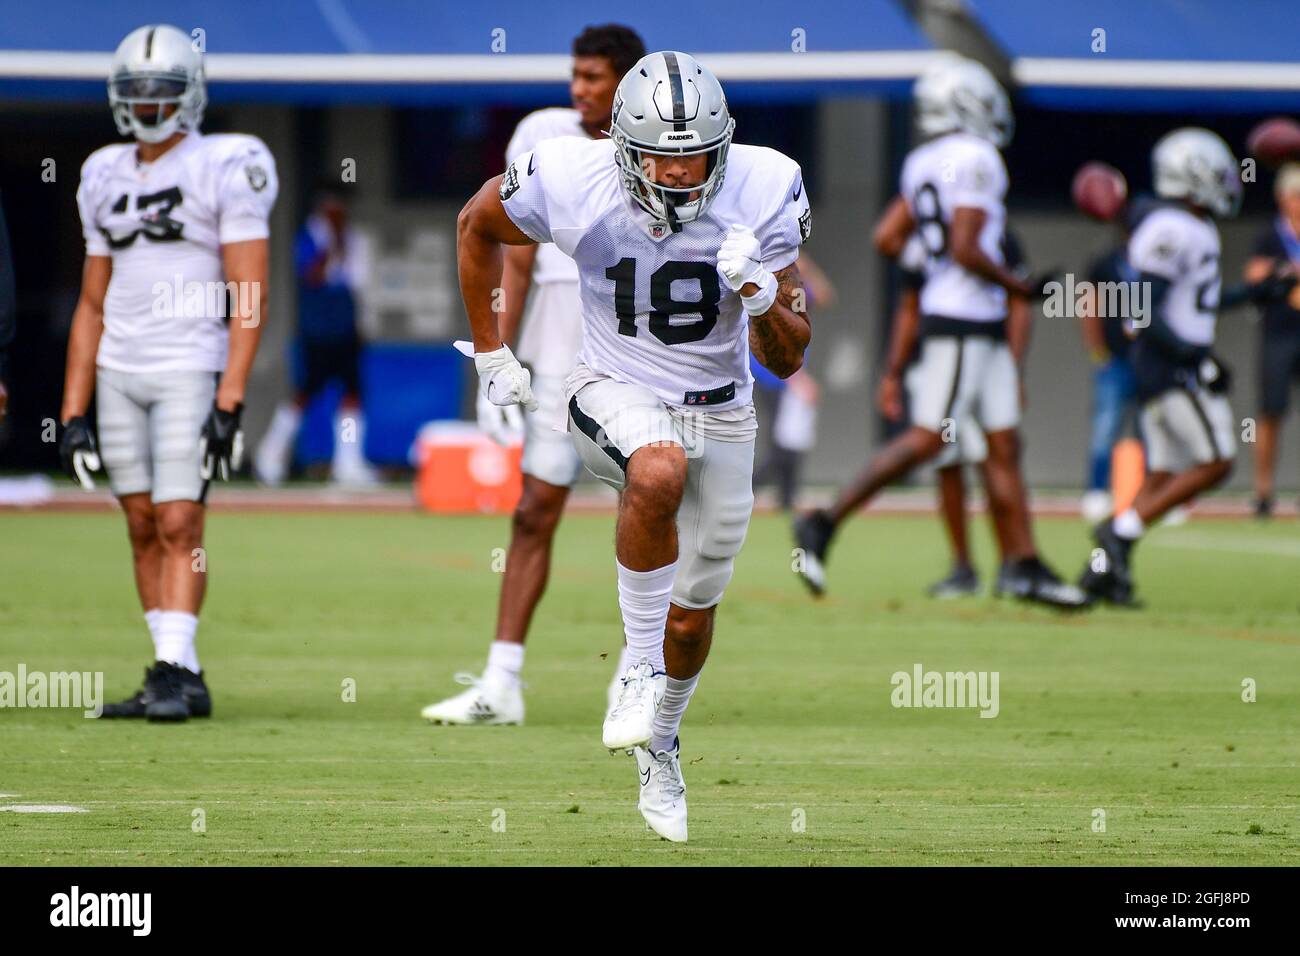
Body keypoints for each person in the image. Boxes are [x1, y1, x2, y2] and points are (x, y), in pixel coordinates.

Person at [454, 51, 811, 842]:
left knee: (694, 618)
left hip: (722, 409)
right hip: (607, 386)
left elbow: (788, 354)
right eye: (661, 157)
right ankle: (636, 668)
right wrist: (490, 351)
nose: (679, 176)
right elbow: (475, 223)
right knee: (657, 469)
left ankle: (663, 742)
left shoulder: (765, 184)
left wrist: (758, 294)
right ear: (622, 146)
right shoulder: (569, 176)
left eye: (695, 159)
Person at [792, 56, 1084, 609]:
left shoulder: (923, 159)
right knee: (929, 439)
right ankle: (823, 522)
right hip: (964, 322)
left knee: (1003, 446)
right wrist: (1015, 285)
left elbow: (888, 237)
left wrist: (930, 263)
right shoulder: (977, 156)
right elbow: (967, 248)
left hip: (972, 320)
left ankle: (1023, 565)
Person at [421, 24, 646, 727]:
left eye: (594, 77)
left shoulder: (664, 138)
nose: (579, 90)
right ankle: (502, 680)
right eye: (575, 75)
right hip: (557, 346)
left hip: (636, 353)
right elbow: (511, 252)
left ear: (627, 80)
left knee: (644, 511)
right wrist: (499, 353)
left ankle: (638, 674)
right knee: (531, 510)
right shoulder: (545, 134)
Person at [58, 24, 278, 720]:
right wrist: (72, 408)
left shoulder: (227, 161)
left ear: (191, 94)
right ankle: (171, 671)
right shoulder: (101, 171)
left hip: (189, 362)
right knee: (140, 521)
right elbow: (91, 302)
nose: (149, 105)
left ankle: (178, 667)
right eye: (137, 93)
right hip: (120, 366)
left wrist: (231, 395)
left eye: (162, 92)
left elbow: (250, 292)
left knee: (181, 519)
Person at [1078, 129, 1242, 606]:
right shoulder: (1173, 228)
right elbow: (1143, 313)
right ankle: (1118, 533)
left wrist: (1253, 295)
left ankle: (1101, 572)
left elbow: (1196, 301)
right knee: (1217, 461)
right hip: (1169, 368)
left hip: (1164, 365)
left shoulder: (1192, 226)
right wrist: (1199, 359)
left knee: (1160, 477)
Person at [883, 231, 1032, 598]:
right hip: (935, 362)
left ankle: (1013, 563)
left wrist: (1011, 366)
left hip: (984, 360)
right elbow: (909, 306)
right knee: (946, 460)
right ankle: (964, 567)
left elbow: (1020, 302)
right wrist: (893, 372)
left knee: (996, 457)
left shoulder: (998, 235)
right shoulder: (925, 240)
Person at [254, 183, 375, 486]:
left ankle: (348, 464)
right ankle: (270, 456)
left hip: (346, 331)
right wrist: (332, 243)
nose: (340, 213)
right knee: (304, 393)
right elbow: (312, 276)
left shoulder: (355, 239)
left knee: (352, 393)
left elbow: (355, 285)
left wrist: (360, 327)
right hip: (316, 331)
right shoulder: (308, 237)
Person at [1244, 163, 1300, 517]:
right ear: (1283, 198)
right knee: (1270, 412)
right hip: (1279, 334)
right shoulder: (1269, 235)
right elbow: (1254, 275)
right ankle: (1262, 491)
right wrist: (1286, 273)